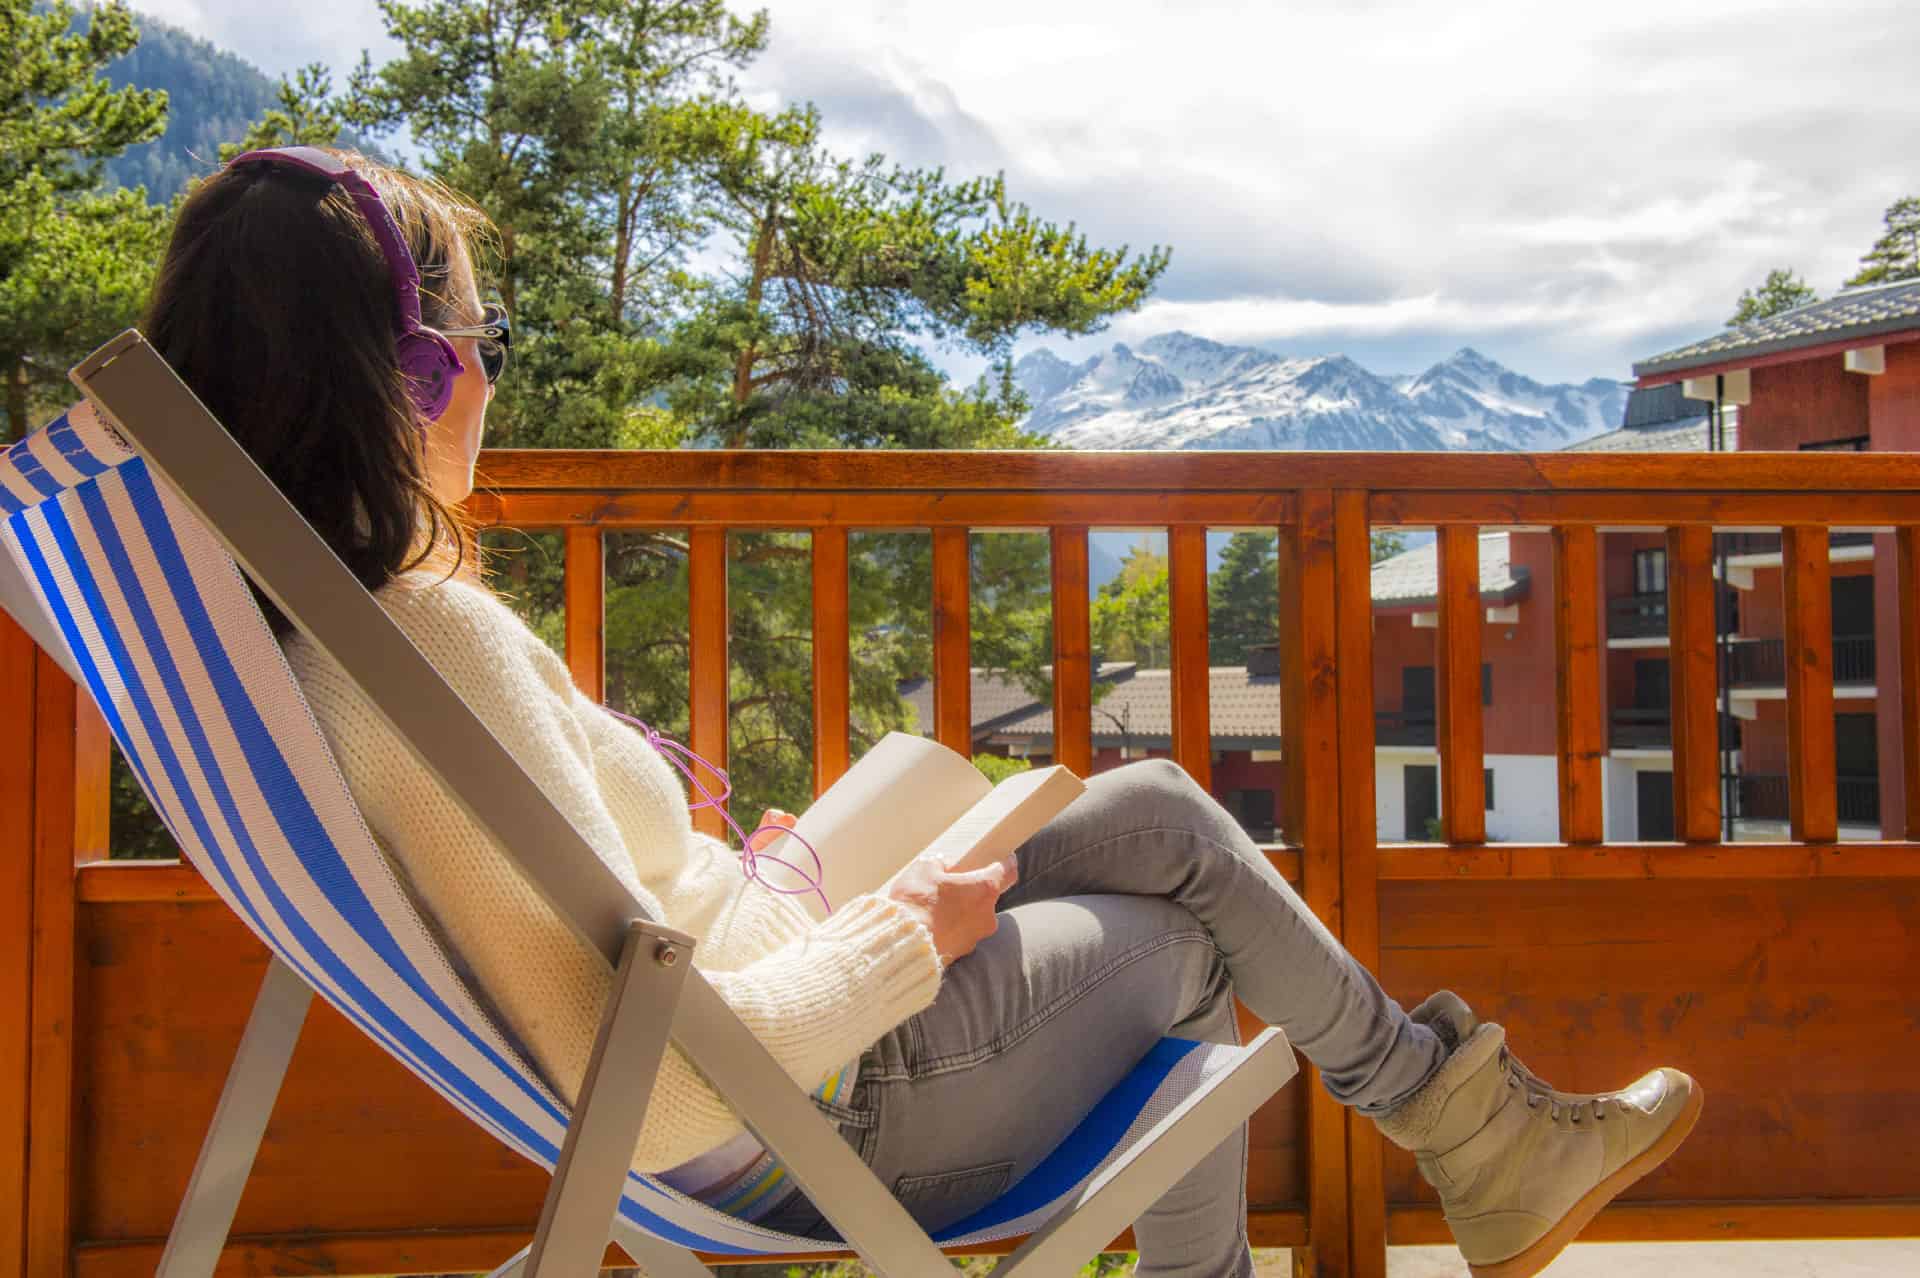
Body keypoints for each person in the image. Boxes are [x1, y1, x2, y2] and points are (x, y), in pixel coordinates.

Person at [140, 147, 1702, 1278]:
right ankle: (1478, 1138)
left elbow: (599, 937)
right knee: (1189, 945)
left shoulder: (309, 634)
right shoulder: (438, 643)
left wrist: (765, 889)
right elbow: (665, 1071)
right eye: (482, 346)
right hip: (798, 1104)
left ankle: (1474, 1128)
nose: (493, 381)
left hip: (757, 989)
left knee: (1152, 805)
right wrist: (907, 939)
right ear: (402, 376)